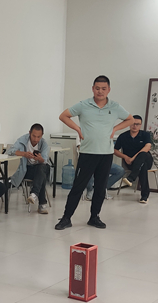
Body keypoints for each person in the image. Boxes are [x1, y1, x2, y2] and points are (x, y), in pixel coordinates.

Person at [55, 75, 134, 230]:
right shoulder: (83, 105)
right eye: (97, 88)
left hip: (106, 154)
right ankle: (66, 218)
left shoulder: (115, 106)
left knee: (100, 188)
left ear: (109, 90)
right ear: (93, 89)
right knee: (78, 187)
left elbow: (130, 119)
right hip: (87, 153)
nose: (100, 91)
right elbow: (63, 116)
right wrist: (78, 129)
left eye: (103, 89)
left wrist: (115, 129)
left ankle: (94, 217)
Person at [8, 123, 51, 214]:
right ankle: (41, 203)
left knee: (42, 168)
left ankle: (34, 194)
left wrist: (39, 159)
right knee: (41, 175)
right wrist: (24, 154)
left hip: (40, 168)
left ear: (42, 135)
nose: (36, 139)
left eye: (38, 137)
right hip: (26, 170)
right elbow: (10, 151)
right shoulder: (22, 140)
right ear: (29, 133)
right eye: (34, 136)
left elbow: (44, 160)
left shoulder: (44, 143)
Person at [113, 115, 153, 204]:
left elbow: (147, 147)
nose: (135, 126)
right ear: (129, 124)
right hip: (131, 163)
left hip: (146, 160)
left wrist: (133, 158)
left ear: (141, 125)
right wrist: (125, 157)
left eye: (137, 124)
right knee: (142, 167)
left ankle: (131, 177)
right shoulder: (123, 136)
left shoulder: (145, 134)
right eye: (133, 124)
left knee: (143, 154)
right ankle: (144, 196)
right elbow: (114, 150)